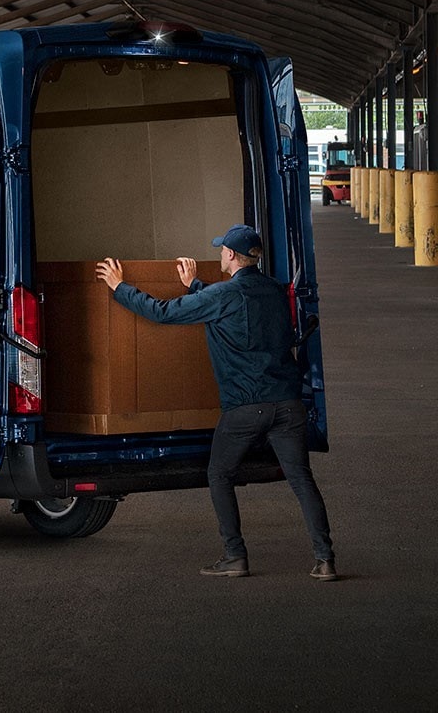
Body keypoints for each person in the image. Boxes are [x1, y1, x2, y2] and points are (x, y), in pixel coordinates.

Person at [95, 224, 336, 581]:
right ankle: (325, 559)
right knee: (302, 479)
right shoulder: (273, 291)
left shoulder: (223, 296)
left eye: (222, 250)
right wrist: (195, 286)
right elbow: (239, 306)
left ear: (229, 256)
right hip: (288, 405)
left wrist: (120, 288)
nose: (220, 253)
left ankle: (235, 556)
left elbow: (163, 312)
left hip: (245, 409)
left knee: (219, 474)